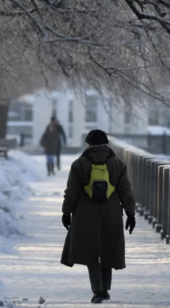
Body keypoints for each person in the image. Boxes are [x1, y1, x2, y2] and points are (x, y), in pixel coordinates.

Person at [60, 130, 136, 304]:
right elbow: (126, 191)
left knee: (91, 252)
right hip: (112, 212)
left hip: (86, 213)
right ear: (106, 144)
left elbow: (71, 192)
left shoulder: (79, 164)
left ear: (88, 144)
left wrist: (66, 212)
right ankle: (106, 289)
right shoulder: (118, 164)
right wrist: (130, 213)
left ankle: (98, 290)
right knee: (107, 249)